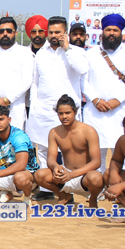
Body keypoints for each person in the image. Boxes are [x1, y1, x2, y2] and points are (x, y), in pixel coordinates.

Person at [25, 16, 89, 200]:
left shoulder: (76, 52)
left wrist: (67, 48)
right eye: (51, 32)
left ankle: (70, 188)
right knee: (43, 149)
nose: (54, 36)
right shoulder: (41, 54)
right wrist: (35, 104)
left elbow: (82, 69)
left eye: (58, 32)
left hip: (66, 110)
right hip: (43, 109)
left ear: (65, 33)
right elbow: (35, 81)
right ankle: (47, 189)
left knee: (68, 149)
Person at [83, 14, 125, 172]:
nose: (111, 33)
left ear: (121, 33)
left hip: (121, 111)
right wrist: (95, 100)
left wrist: (118, 100)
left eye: (115, 30)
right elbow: (83, 80)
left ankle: (122, 184)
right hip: (95, 112)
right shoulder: (90, 54)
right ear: (102, 32)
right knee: (95, 154)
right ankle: (98, 184)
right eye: (108, 30)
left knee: (123, 152)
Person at [33, 95, 104, 207]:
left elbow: (96, 162)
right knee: (39, 175)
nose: (64, 116)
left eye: (68, 113)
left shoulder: (89, 131)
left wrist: (73, 174)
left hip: (85, 175)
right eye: (60, 113)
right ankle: (64, 195)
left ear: (75, 112)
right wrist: (56, 167)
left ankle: (93, 198)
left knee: (97, 178)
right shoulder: (54, 132)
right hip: (65, 174)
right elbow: (51, 159)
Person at [0, 104, 40, 203]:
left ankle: (28, 198)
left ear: (9, 120)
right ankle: (4, 193)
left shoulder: (19, 136)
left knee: (20, 178)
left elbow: (21, 165)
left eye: (1, 119)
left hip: (26, 173)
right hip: (4, 170)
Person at [0, 15, 33, 129]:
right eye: (1, 31)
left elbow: (27, 81)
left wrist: (7, 100)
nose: (5, 34)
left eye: (9, 31)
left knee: (14, 138)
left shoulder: (25, 53)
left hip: (14, 107)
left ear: (15, 33)